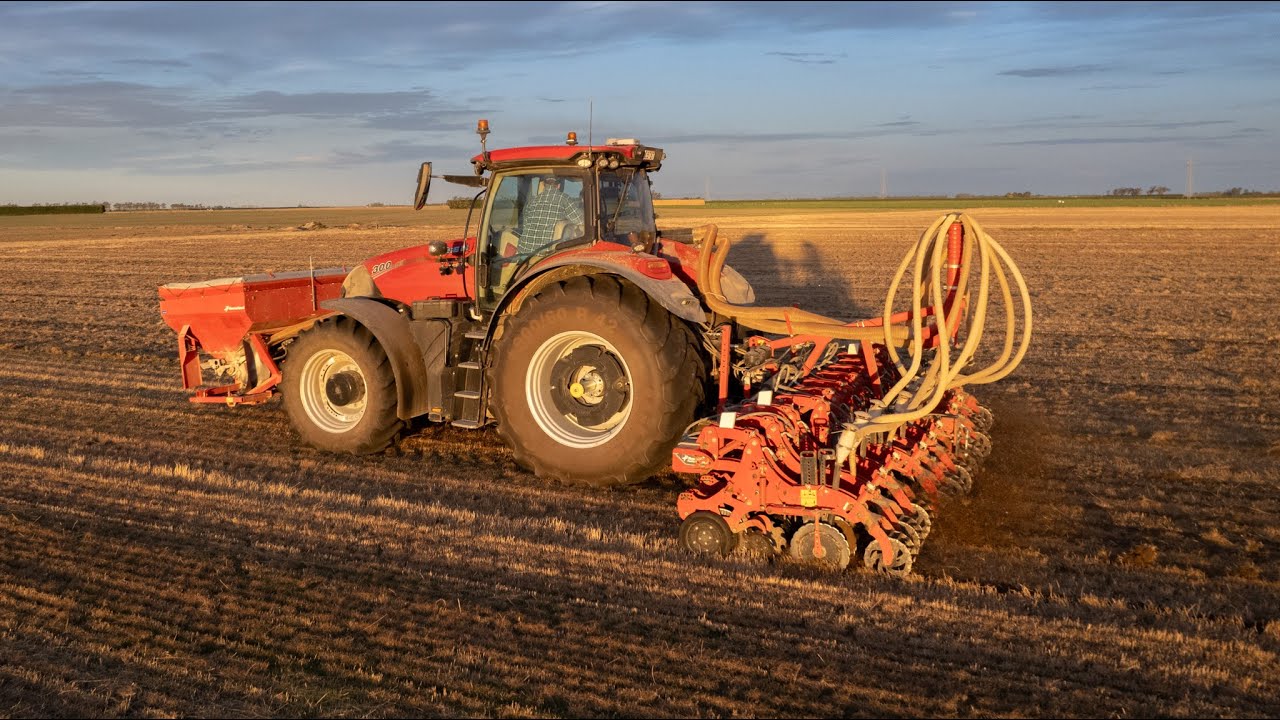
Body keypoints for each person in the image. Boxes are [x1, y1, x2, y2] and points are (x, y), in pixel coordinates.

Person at [517, 176, 585, 255]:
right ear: (558, 186)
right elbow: (580, 220)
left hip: (524, 252)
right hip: (545, 254)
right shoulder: (563, 198)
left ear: (544, 185)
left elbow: (525, 224)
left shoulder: (532, 200)